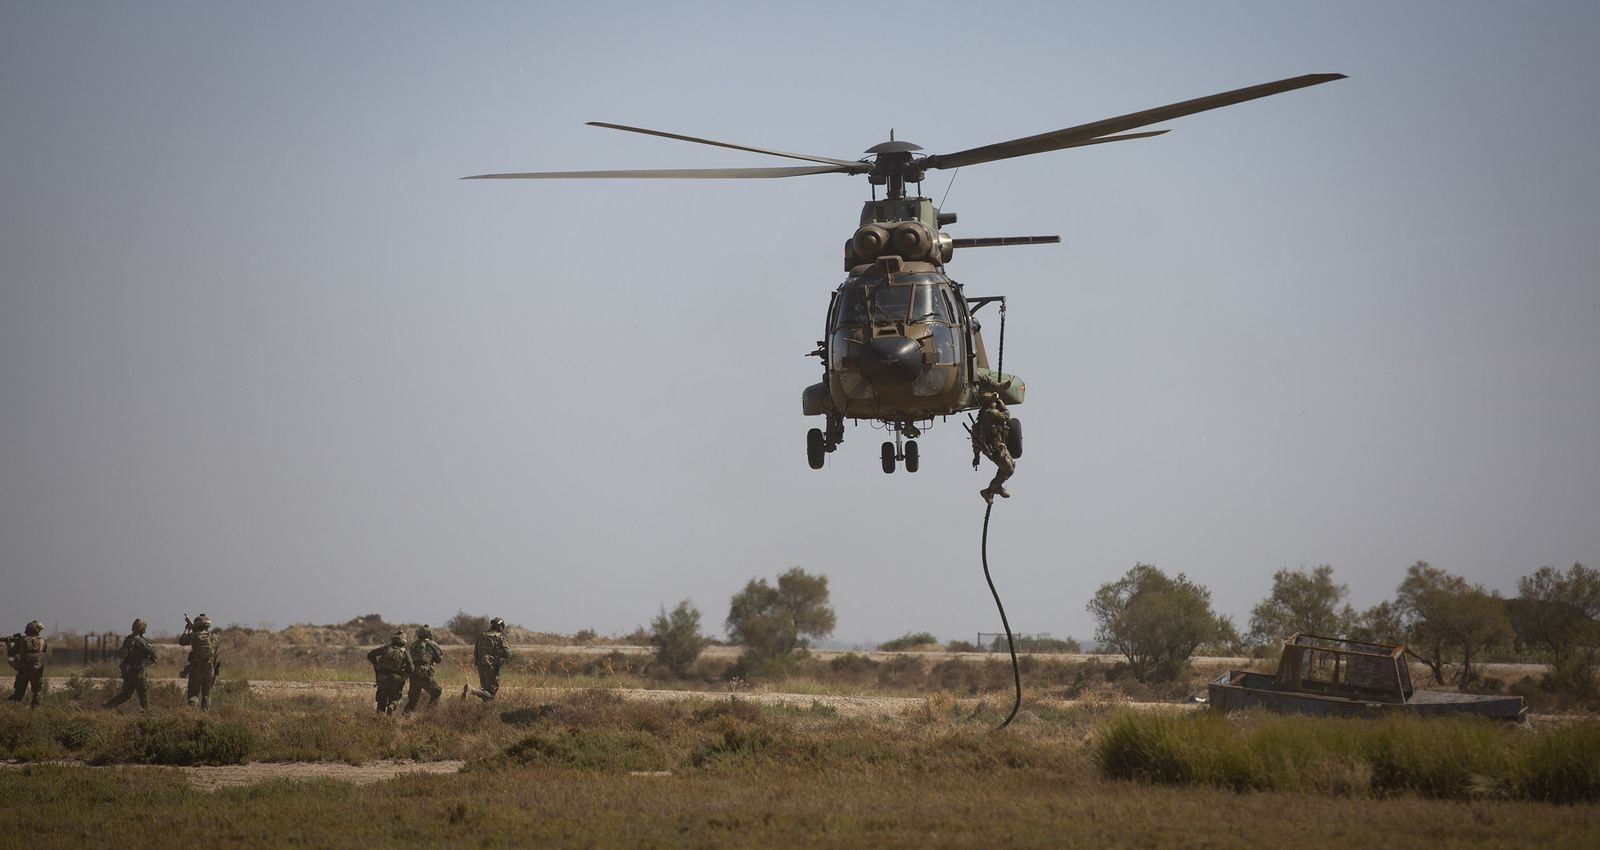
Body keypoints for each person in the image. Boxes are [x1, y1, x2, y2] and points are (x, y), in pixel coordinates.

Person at [972, 391, 1016, 504]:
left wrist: (976, 455)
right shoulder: (991, 413)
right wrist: (1001, 402)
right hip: (997, 448)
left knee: (1008, 466)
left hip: (992, 449)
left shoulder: (981, 418)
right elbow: (1007, 416)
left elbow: (975, 440)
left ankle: (996, 487)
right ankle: (990, 490)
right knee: (1009, 469)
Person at [104, 618, 158, 710]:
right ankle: (148, 711)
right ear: (143, 629)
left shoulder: (128, 639)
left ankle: (108, 706)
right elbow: (152, 652)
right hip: (137, 671)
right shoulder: (140, 641)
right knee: (144, 690)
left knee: (127, 693)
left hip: (127, 670)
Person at [178, 613, 221, 710]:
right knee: (207, 694)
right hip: (210, 668)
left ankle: (192, 714)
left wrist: (187, 629)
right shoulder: (214, 637)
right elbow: (216, 652)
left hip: (196, 668)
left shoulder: (193, 636)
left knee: (193, 692)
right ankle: (204, 718)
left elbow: (181, 641)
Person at [464, 617, 510, 701]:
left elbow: (476, 651)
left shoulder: (482, 635)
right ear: (500, 627)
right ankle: (472, 690)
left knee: (485, 691)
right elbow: (508, 654)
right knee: (490, 694)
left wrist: (477, 663)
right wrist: (499, 659)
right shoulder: (499, 638)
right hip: (492, 667)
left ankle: (484, 711)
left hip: (481, 666)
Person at [367, 630, 412, 714]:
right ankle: (391, 706)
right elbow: (411, 668)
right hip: (396, 678)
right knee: (395, 698)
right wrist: (403, 676)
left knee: (381, 699)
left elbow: (370, 655)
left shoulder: (385, 648)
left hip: (382, 677)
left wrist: (376, 664)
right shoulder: (405, 653)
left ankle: (380, 718)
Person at [404, 624, 444, 713]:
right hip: (424, 673)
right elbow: (439, 659)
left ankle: (404, 717)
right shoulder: (432, 644)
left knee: (413, 700)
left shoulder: (414, 644)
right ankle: (429, 714)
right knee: (437, 691)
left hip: (413, 673)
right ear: (430, 634)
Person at [7, 620, 48, 707]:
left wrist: (8, 643)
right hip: (36, 669)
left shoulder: (22, 640)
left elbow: (11, 653)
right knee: (37, 691)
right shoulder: (43, 641)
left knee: (18, 692)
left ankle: (11, 708)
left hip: (23, 669)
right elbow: (42, 652)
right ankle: (35, 710)